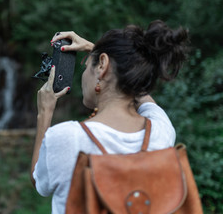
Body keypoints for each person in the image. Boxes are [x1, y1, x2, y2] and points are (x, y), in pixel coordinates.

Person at [30, 20, 189, 214]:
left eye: (87, 65)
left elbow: (38, 180)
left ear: (102, 65)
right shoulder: (161, 131)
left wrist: (44, 113)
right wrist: (100, 53)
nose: (84, 75)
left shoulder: (67, 138)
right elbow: (141, 90)